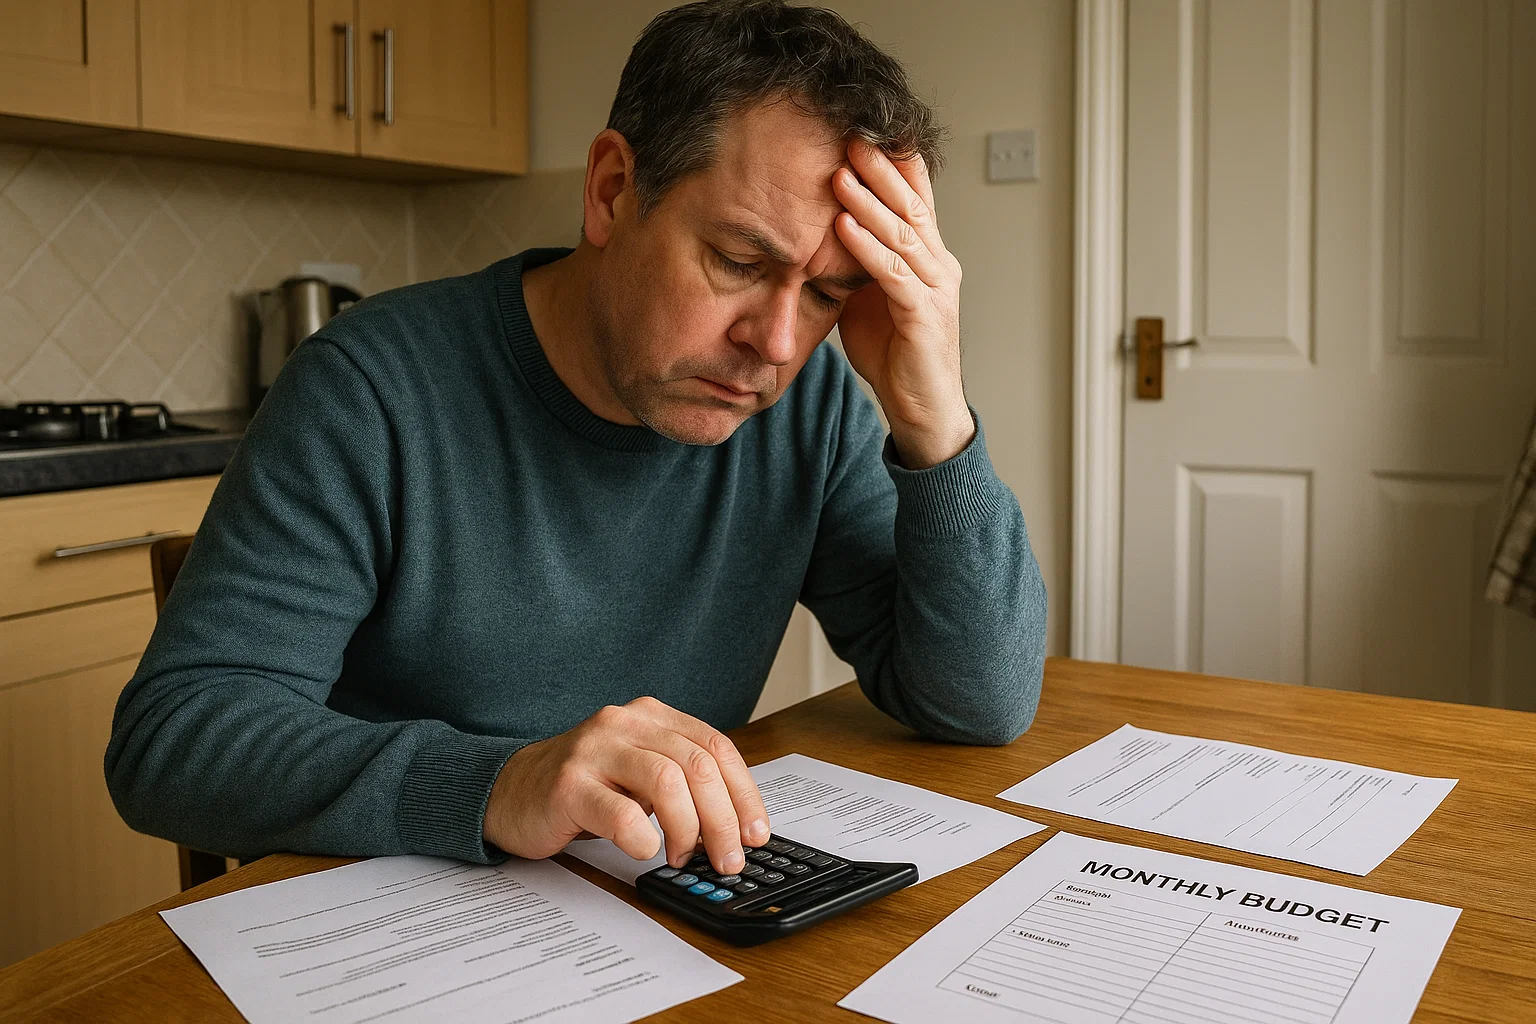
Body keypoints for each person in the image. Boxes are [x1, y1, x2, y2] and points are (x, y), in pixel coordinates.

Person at [106, 0, 1046, 881]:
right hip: (392, 925)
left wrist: (935, 422)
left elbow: (979, 705)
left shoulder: (809, 410)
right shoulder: (370, 388)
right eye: (739, 261)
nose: (780, 342)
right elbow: (175, 740)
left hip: (648, 916)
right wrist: (499, 782)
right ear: (611, 190)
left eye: (831, 292)